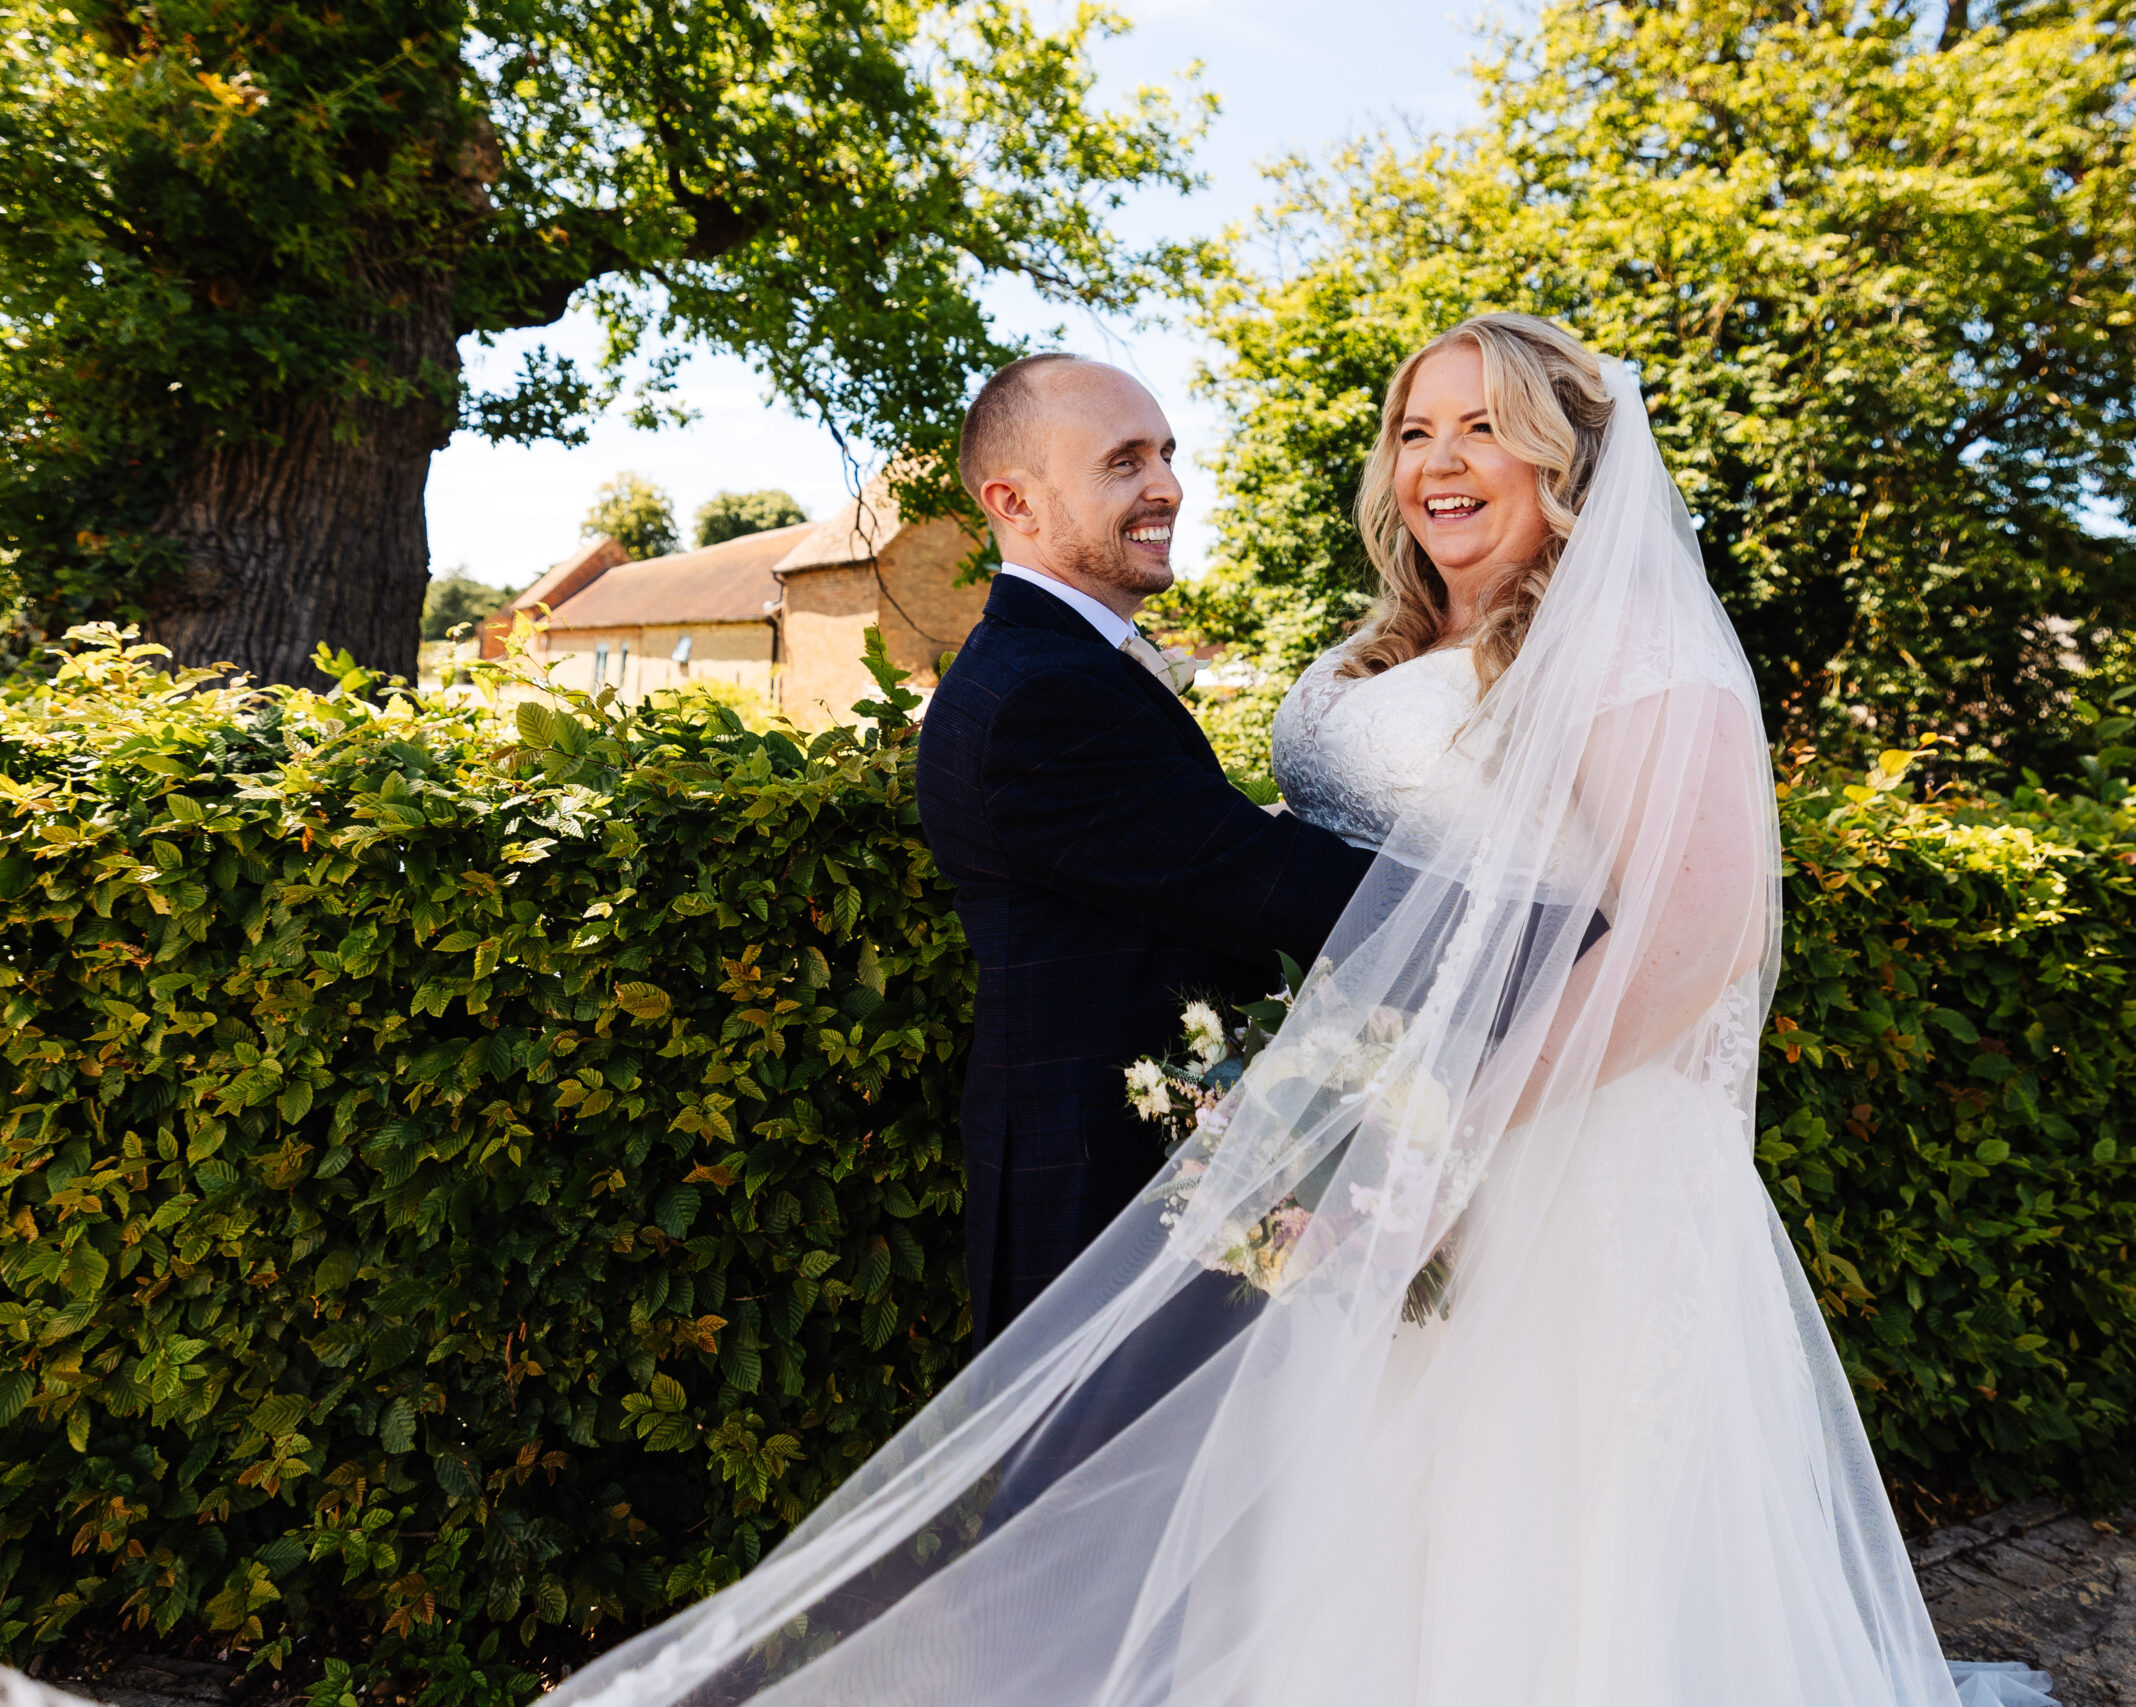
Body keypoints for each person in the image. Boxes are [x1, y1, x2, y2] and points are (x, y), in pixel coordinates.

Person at [548, 315, 2059, 1706]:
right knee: (1359, 1526)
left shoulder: (1631, 648)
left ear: (1568, 458)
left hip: (1542, 1142)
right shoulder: (1368, 648)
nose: (1441, 460)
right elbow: (1273, 875)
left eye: (1487, 426)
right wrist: (1371, 1113)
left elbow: (1704, 919)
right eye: (1414, 428)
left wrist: (1441, 1107)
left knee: (1538, 1527)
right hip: (1373, 1142)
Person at [912, 352, 1375, 1346]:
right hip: (1099, 1202)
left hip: (1156, 1182)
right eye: (1123, 462)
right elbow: (1266, 885)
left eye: (1164, 454)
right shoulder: (1042, 697)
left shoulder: (1067, 665)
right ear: (1013, 500)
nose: (1167, 484)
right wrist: (1554, 917)